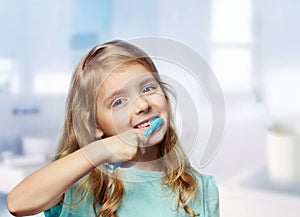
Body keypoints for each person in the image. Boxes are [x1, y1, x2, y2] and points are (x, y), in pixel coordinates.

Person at [6, 40, 219, 217]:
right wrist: (101, 150)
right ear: (95, 126)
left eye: (148, 88)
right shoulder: (78, 186)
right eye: (118, 102)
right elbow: (17, 204)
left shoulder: (202, 188)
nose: (143, 105)